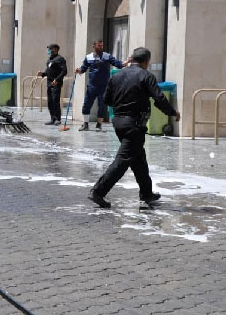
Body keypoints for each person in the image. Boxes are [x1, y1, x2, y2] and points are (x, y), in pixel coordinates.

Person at [88, 47, 180, 208]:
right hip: (134, 124)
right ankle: (98, 191)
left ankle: (147, 193)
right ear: (146, 61)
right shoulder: (146, 76)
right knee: (123, 160)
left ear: (131, 59)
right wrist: (172, 112)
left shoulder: (116, 75)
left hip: (118, 122)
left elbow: (107, 100)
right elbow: (159, 98)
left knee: (138, 159)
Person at [75, 40, 129, 131]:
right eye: (99, 46)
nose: (101, 47)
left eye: (102, 46)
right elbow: (83, 68)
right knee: (87, 104)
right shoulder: (88, 57)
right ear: (94, 46)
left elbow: (118, 64)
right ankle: (85, 124)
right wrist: (79, 70)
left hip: (104, 87)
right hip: (92, 86)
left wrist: (126, 62)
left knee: (102, 106)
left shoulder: (107, 56)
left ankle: (99, 125)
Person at [37, 43, 67, 125]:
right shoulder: (50, 59)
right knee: (50, 102)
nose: (49, 50)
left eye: (50, 49)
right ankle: (53, 118)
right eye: (48, 49)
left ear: (56, 49)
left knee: (55, 101)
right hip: (49, 83)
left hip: (56, 83)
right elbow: (48, 71)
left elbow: (64, 71)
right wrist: (42, 74)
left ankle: (57, 119)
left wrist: (57, 79)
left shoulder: (60, 59)